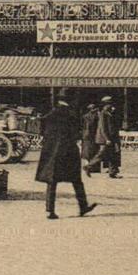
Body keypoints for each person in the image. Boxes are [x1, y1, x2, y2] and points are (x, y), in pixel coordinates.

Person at [35, 92, 97, 220]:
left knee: (52, 181)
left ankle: (49, 210)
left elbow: (42, 131)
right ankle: (83, 206)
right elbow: (76, 134)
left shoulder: (50, 115)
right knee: (76, 180)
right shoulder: (70, 115)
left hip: (51, 152)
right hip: (67, 152)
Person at [84, 96, 121, 178]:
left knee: (112, 154)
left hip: (109, 138)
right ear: (105, 105)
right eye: (109, 104)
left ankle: (112, 172)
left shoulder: (109, 113)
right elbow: (103, 127)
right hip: (104, 139)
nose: (111, 106)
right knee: (101, 154)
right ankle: (88, 166)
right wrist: (107, 139)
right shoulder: (103, 114)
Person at [81, 102, 100, 172]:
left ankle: (89, 166)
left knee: (87, 152)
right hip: (92, 135)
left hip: (86, 135)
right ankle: (92, 167)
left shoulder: (85, 116)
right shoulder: (95, 116)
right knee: (93, 151)